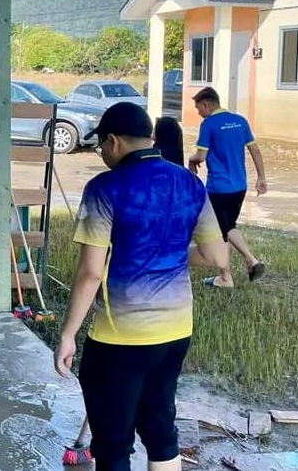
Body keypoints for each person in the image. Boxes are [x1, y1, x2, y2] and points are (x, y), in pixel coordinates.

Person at [55, 102, 228, 471]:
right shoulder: (190, 183)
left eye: (101, 146)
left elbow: (90, 273)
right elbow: (215, 255)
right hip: (175, 333)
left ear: (113, 141)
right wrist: (168, 250)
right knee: (161, 429)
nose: (102, 154)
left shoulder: (104, 188)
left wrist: (68, 335)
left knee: (113, 445)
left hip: (119, 340)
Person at [186, 87, 268, 288]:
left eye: (198, 108)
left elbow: (201, 156)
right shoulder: (240, 121)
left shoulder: (209, 125)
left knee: (221, 230)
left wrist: (191, 160)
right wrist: (261, 177)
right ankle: (241, 268)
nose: (198, 113)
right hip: (240, 186)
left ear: (206, 104)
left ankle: (239, 268)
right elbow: (255, 150)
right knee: (227, 226)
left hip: (219, 188)